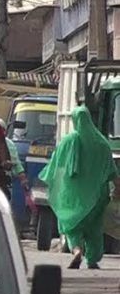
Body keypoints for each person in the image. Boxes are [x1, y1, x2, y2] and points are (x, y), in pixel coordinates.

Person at [39, 106, 120, 270]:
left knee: (71, 227)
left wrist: (50, 183)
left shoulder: (68, 141)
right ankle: (93, 259)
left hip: (72, 196)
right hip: (97, 197)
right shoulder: (102, 143)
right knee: (94, 228)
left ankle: (76, 250)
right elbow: (112, 171)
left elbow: (56, 166)